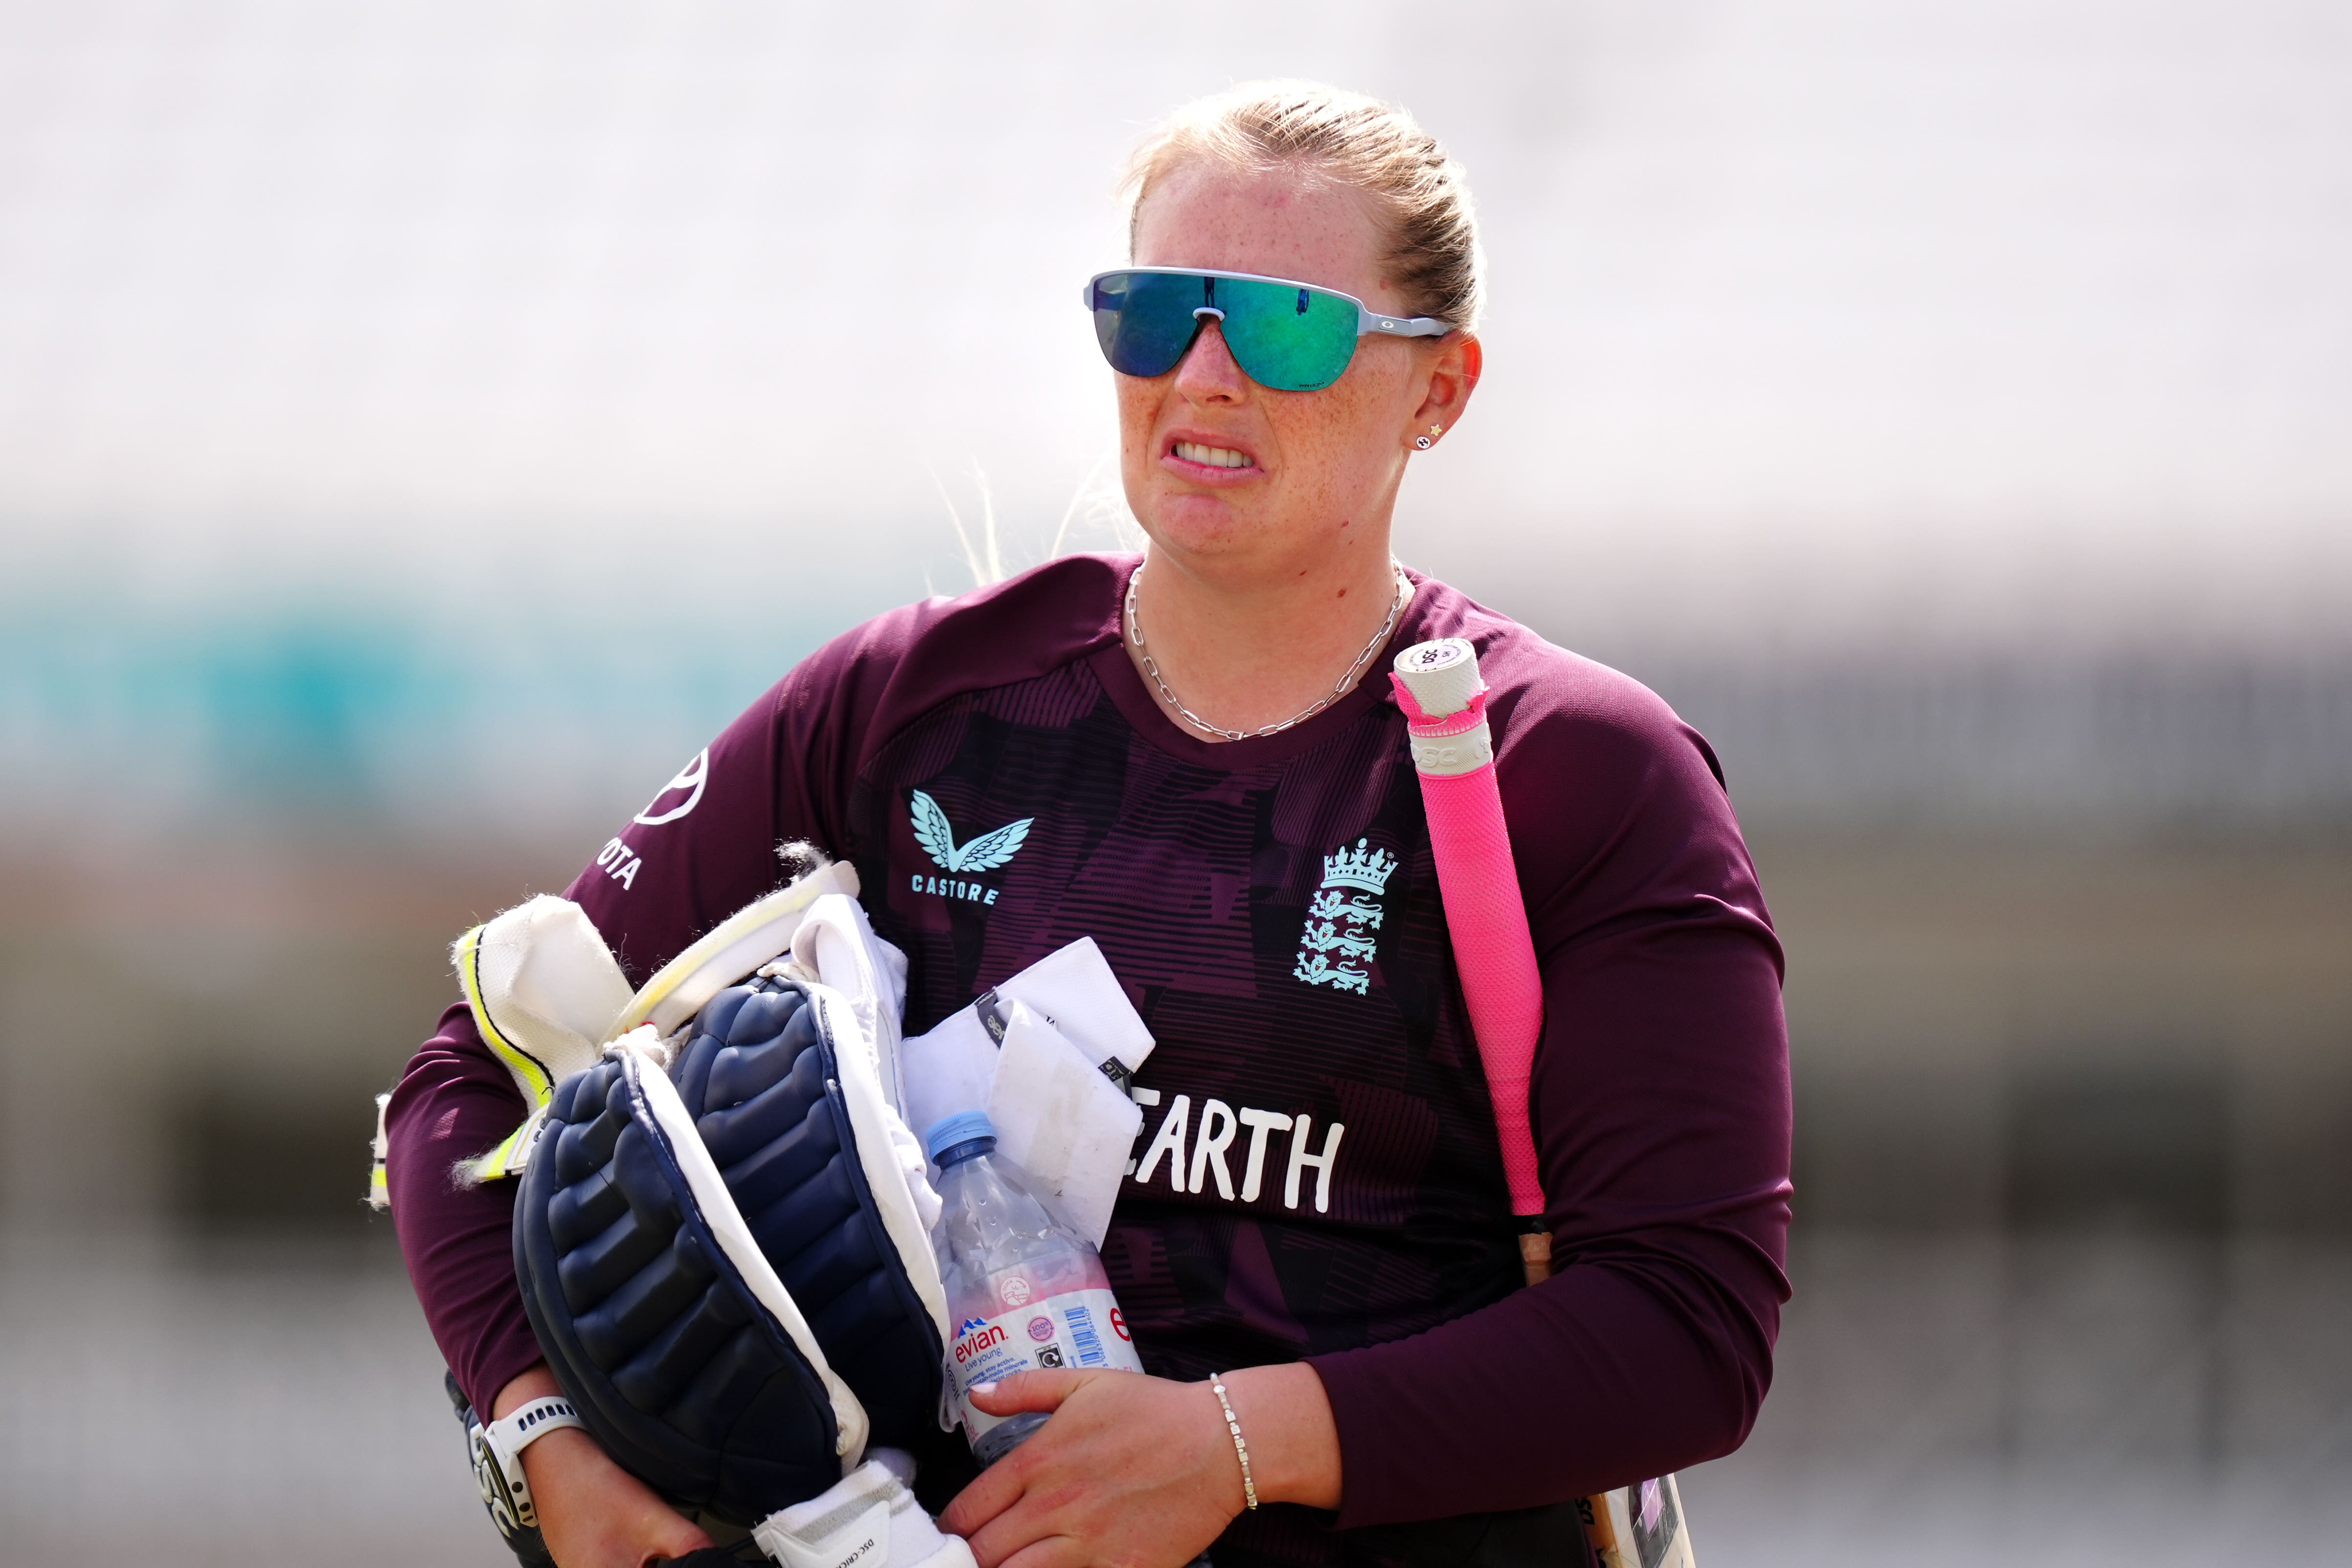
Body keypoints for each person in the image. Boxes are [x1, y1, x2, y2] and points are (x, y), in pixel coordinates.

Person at [386, 80, 1792, 1568]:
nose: (1201, 373)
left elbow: (1687, 1328)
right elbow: (464, 1082)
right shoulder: (905, 702)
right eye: (1151, 312)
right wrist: (535, 1431)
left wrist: (1234, 1449)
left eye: (1284, 324)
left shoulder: (1577, 766)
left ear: (1437, 389)